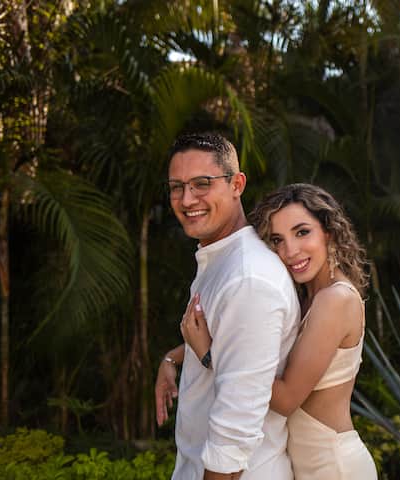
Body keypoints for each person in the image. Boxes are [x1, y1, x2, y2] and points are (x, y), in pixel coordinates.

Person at [183, 183, 378, 480]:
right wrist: (172, 359)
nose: (290, 251)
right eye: (277, 239)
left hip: (333, 467)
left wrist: (211, 355)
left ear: (329, 231)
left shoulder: (335, 299)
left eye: (302, 232)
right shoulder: (309, 297)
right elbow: (250, 342)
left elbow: (286, 399)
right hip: (309, 466)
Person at [154, 132, 300, 480]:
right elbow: (229, 345)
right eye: (177, 187)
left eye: (202, 183)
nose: (187, 199)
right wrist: (172, 358)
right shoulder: (222, 261)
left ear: (237, 184)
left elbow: (234, 431)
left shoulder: (248, 278)